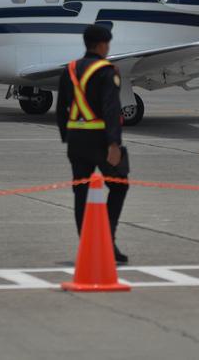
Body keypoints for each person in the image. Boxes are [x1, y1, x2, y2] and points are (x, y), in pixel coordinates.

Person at [56, 24, 130, 263]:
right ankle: (107, 240)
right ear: (101, 45)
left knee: (81, 192)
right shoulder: (107, 71)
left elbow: (61, 108)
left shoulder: (70, 69)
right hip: (100, 140)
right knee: (119, 186)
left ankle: (87, 244)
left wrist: (67, 136)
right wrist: (114, 144)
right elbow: (111, 108)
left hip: (76, 141)